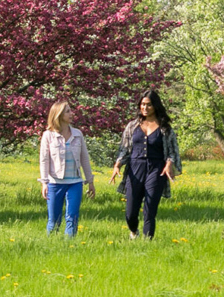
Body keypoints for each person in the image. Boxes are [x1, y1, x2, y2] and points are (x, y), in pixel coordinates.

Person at [110, 89, 182, 239]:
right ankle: (133, 232)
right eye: (142, 104)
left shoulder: (165, 128)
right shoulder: (132, 126)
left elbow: (172, 152)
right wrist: (117, 165)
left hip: (156, 170)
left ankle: (147, 241)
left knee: (150, 208)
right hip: (135, 169)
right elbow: (124, 149)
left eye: (148, 105)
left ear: (155, 106)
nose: (145, 108)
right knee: (130, 212)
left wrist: (169, 164)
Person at [38, 100, 96, 237]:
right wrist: (44, 183)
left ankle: (70, 245)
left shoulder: (77, 134)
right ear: (58, 114)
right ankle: (51, 243)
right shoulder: (48, 135)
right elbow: (44, 160)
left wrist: (90, 181)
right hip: (55, 183)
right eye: (68, 111)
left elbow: (84, 159)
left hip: (75, 182)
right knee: (54, 220)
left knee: (72, 216)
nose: (72, 114)